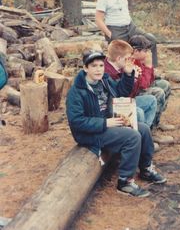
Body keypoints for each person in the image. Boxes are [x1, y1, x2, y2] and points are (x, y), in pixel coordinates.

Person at [66, 49, 167, 197]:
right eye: (93, 66)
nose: (98, 69)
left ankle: (145, 168)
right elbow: (76, 122)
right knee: (132, 136)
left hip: (108, 124)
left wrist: (127, 74)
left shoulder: (104, 80)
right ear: (85, 68)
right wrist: (106, 123)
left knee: (144, 129)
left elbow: (122, 92)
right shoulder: (76, 91)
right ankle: (125, 182)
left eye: (101, 65)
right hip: (90, 133)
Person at [95, 0, 158, 68]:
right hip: (116, 30)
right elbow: (98, 19)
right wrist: (110, 35)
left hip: (130, 26)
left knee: (151, 40)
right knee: (123, 55)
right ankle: (130, 76)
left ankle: (151, 69)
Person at [128, 35, 175, 143]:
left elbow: (150, 80)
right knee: (158, 93)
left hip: (140, 88)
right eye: (145, 50)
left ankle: (156, 121)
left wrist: (149, 67)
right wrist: (148, 66)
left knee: (164, 84)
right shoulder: (132, 62)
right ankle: (150, 131)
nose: (149, 53)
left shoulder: (139, 60)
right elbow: (144, 85)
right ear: (136, 51)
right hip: (134, 94)